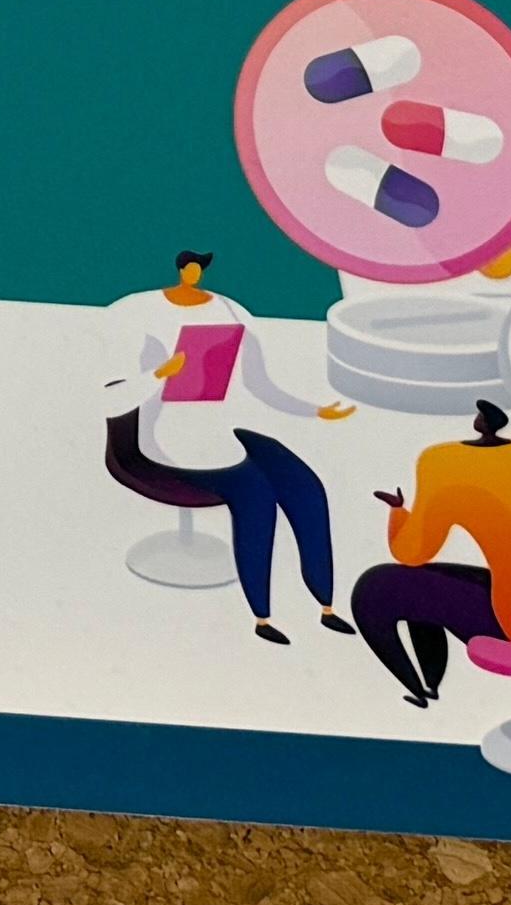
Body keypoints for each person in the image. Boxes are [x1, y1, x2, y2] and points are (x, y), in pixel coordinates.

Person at [97, 249, 357, 647]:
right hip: (160, 435)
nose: (195, 272)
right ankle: (262, 617)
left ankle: (326, 605)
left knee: (305, 486)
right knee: (257, 495)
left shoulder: (231, 312)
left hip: (214, 428)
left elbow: (261, 386)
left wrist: (316, 410)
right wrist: (160, 374)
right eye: (190, 265)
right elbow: (109, 400)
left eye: (201, 266)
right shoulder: (135, 312)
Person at [350, 397, 511, 707]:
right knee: (420, 587)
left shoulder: (444, 462)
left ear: (481, 423)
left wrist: (397, 512)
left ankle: (418, 688)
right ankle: (431, 683)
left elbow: (411, 552)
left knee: (377, 589)